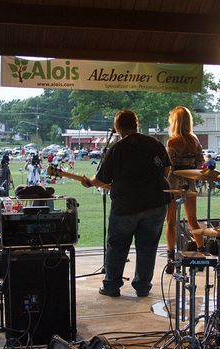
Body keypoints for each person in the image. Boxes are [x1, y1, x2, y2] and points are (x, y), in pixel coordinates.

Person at [81, 110, 171, 297]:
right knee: (148, 246)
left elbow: (101, 178)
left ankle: (112, 286)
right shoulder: (154, 143)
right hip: (156, 203)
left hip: (126, 206)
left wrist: (89, 182)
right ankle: (143, 287)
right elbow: (167, 169)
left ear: (117, 127)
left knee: (117, 245)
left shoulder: (118, 148)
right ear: (136, 124)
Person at [164, 106, 205, 274]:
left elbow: (168, 165)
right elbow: (200, 162)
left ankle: (170, 259)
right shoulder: (195, 140)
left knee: (171, 222)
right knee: (193, 220)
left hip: (173, 184)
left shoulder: (172, 142)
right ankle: (202, 253)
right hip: (190, 183)